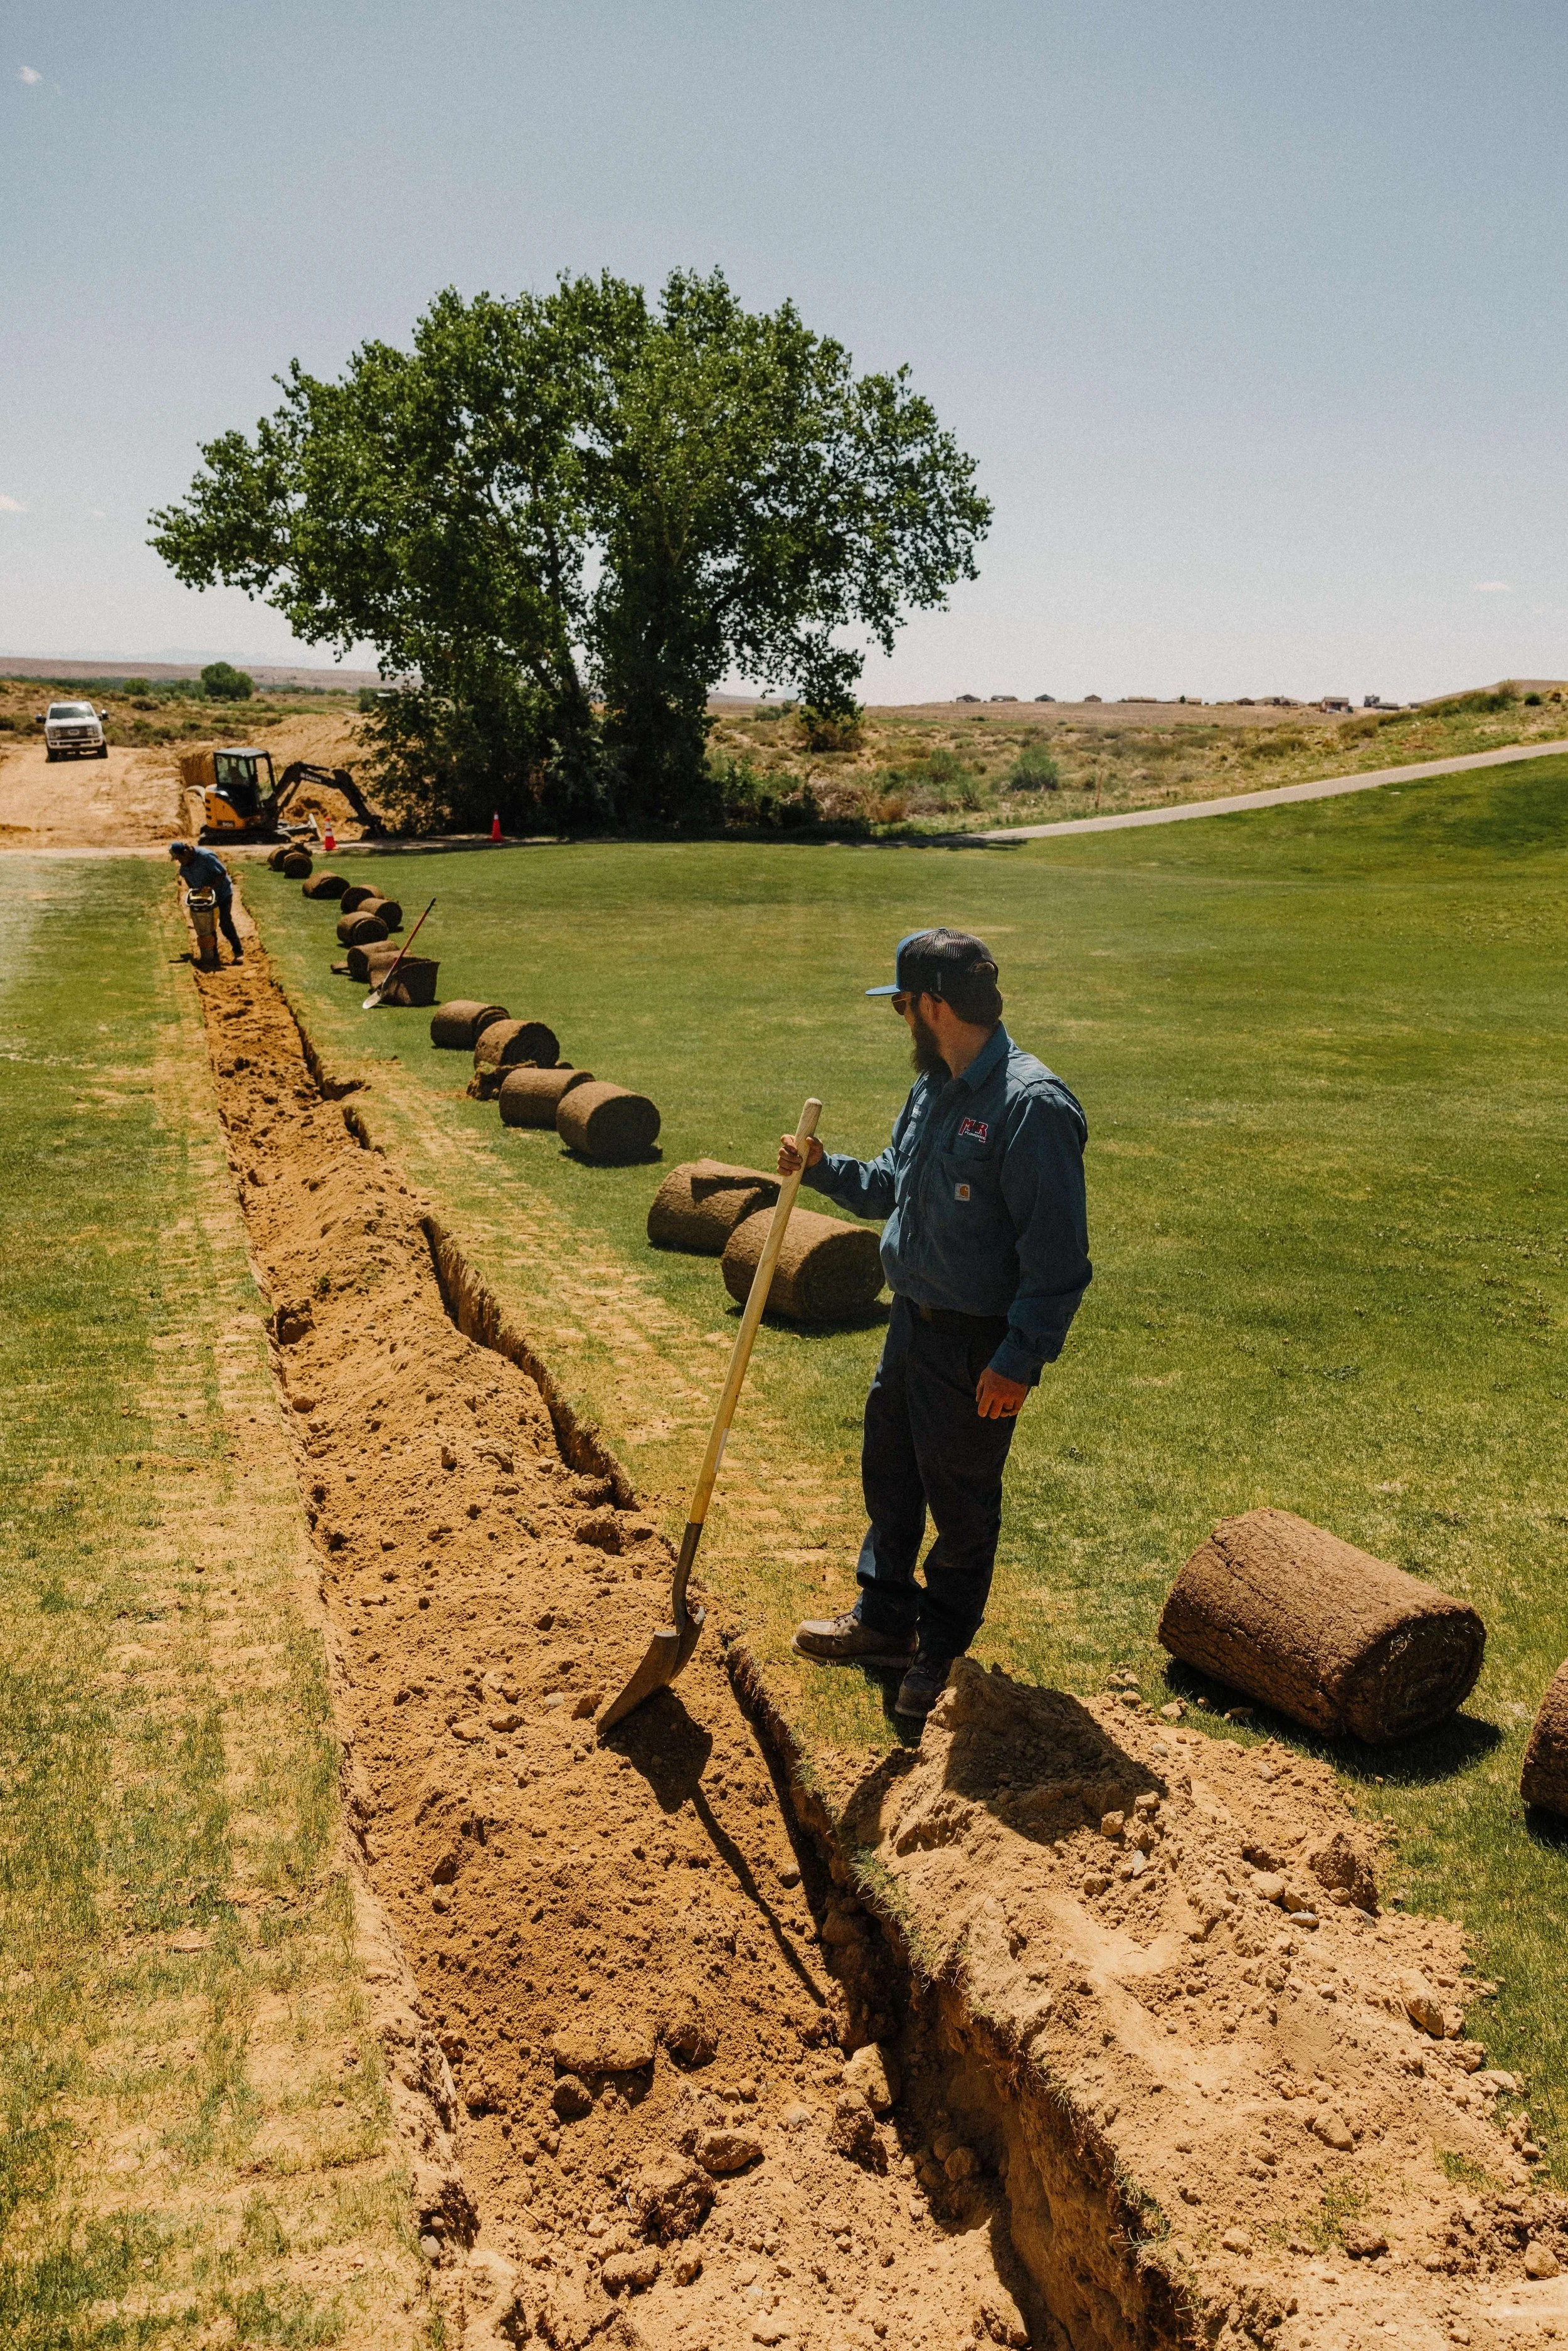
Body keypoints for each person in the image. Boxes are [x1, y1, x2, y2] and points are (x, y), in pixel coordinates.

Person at [783, 928, 1089, 1719]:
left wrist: (1019, 1358)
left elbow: (1056, 1260)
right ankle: (884, 1620)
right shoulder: (934, 1086)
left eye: (903, 1007)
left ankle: (941, 1650)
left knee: (959, 1501)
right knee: (890, 1474)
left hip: (975, 1342)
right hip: (910, 1326)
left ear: (933, 1005)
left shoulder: (1031, 1106)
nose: (901, 1021)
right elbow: (894, 1184)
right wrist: (824, 1171)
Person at [169, 839, 243, 965]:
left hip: (222, 892)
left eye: (179, 858)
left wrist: (210, 887)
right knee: (207, 926)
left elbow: (222, 873)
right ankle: (213, 955)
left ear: (186, 852)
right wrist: (196, 891)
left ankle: (238, 952)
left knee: (225, 923)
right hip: (206, 898)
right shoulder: (185, 868)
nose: (179, 861)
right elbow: (188, 880)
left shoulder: (206, 856)